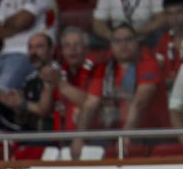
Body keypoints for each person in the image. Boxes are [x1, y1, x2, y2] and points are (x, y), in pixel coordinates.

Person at [71, 23, 165, 158]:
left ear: (137, 42)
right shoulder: (106, 66)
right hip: (115, 136)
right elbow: (91, 103)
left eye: (128, 40)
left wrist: (125, 137)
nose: (123, 45)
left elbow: (140, 102)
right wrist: (79, 138)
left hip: (151, 136)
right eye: (117, 41)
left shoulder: (147, 61)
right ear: (111, 45)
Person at [0, 0, 58, 92]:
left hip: (27, 52)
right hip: (3, 53)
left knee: (2, 92)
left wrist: (4, 23)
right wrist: (16, 26)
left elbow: (23, 20)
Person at [39, 26, 97, 131]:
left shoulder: (96, 68)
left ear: (86, 49)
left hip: (91, 134)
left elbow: (90, 102)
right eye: (67, 45)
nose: (72, 49)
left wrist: (59, 82)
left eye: (77, 45)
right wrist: (48, 85)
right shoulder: (57, 69)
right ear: (62, 51)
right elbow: (44, 109)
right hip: (60, 134)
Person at [0, 33, 56, 133]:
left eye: (39, 47)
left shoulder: (58, 74)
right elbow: (23, 119)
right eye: (30, 48)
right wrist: (16, 106)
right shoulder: (30, 80)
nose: (33, 52)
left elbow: (44, 110)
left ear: (51, 50)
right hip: (31, 135)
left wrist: (22, 103)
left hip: (54, 136)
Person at [93, 0, 165, 46]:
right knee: (93, 41)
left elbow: (161, 18)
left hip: (145, 35)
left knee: (160, 36)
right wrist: (113, 36)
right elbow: (98, 22)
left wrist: (135, 33)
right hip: (116, 36)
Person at [155, 0, 183, 93]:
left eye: (179, 12)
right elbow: (157, 68)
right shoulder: (164, 39)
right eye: (170, 14)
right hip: (168, 90)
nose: (174, 18)